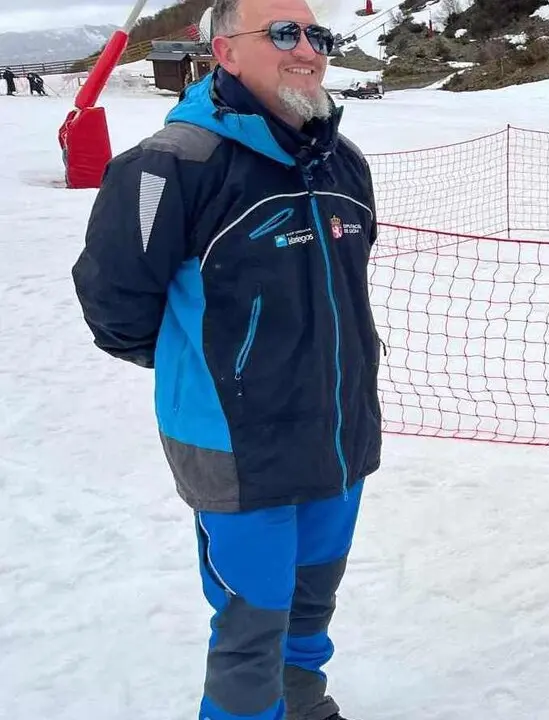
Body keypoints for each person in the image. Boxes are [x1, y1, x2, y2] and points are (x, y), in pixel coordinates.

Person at [70, 0, 380, 718]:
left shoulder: (344, 162)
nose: (307, 49)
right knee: (251, 630)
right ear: (226, 53)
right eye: (282, 33)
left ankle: (302, 705)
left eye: (316, 35)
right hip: (239, 450)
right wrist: (216, 373)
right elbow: (115, 306)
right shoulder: (171, 165)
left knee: (310, 607)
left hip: (338, 437)